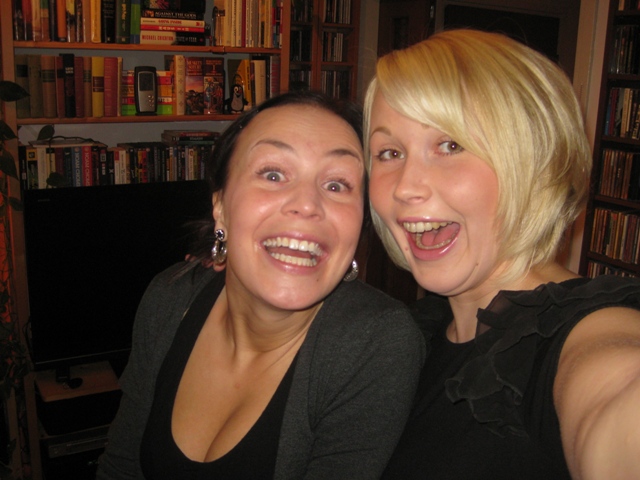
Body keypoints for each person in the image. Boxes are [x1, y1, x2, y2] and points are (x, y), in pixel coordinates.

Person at [96, 91, 425, 480]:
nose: (307, 204)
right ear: (220, 206)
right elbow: (120, 467)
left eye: (337, 185)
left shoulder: (376, 343)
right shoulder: (170, 297)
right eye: (273, 174)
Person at [363, 29, 640, 479]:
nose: (406, 187)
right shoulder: (409, 337)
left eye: (450, 145)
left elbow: (618, 396)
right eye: (389, 152)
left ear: (533, 161)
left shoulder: (585, 336)